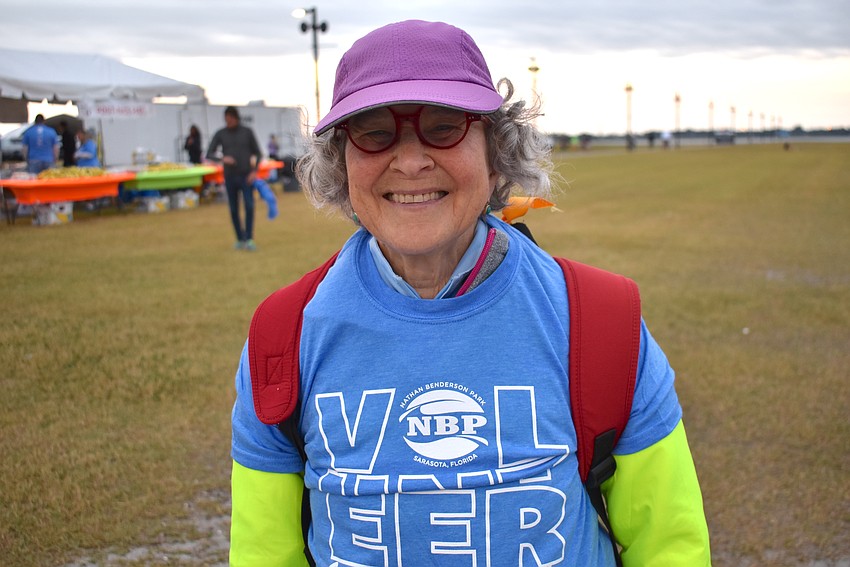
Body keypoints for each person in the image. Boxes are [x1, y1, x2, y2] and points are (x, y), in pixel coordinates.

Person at [229, 19, 711, 567]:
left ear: (496, 148)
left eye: (444, 125)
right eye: (373, 131)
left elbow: (670, 549)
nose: (410, 161)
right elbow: (262, 554)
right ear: (342, 160)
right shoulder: (283, 334)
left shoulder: (602, 322)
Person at [206, 106, 262, 251]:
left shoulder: (247, 132)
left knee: (249, 206)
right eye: (226, 119)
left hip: (246, 176)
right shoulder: (221, 133)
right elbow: (209, 153)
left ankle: (249, 238)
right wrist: (223, 158)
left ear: (236, 117)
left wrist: (254, 171)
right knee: (233, 209)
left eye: (230, 119)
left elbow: (258, 153)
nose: (228, 122)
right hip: (230, 176)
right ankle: (239, 238)